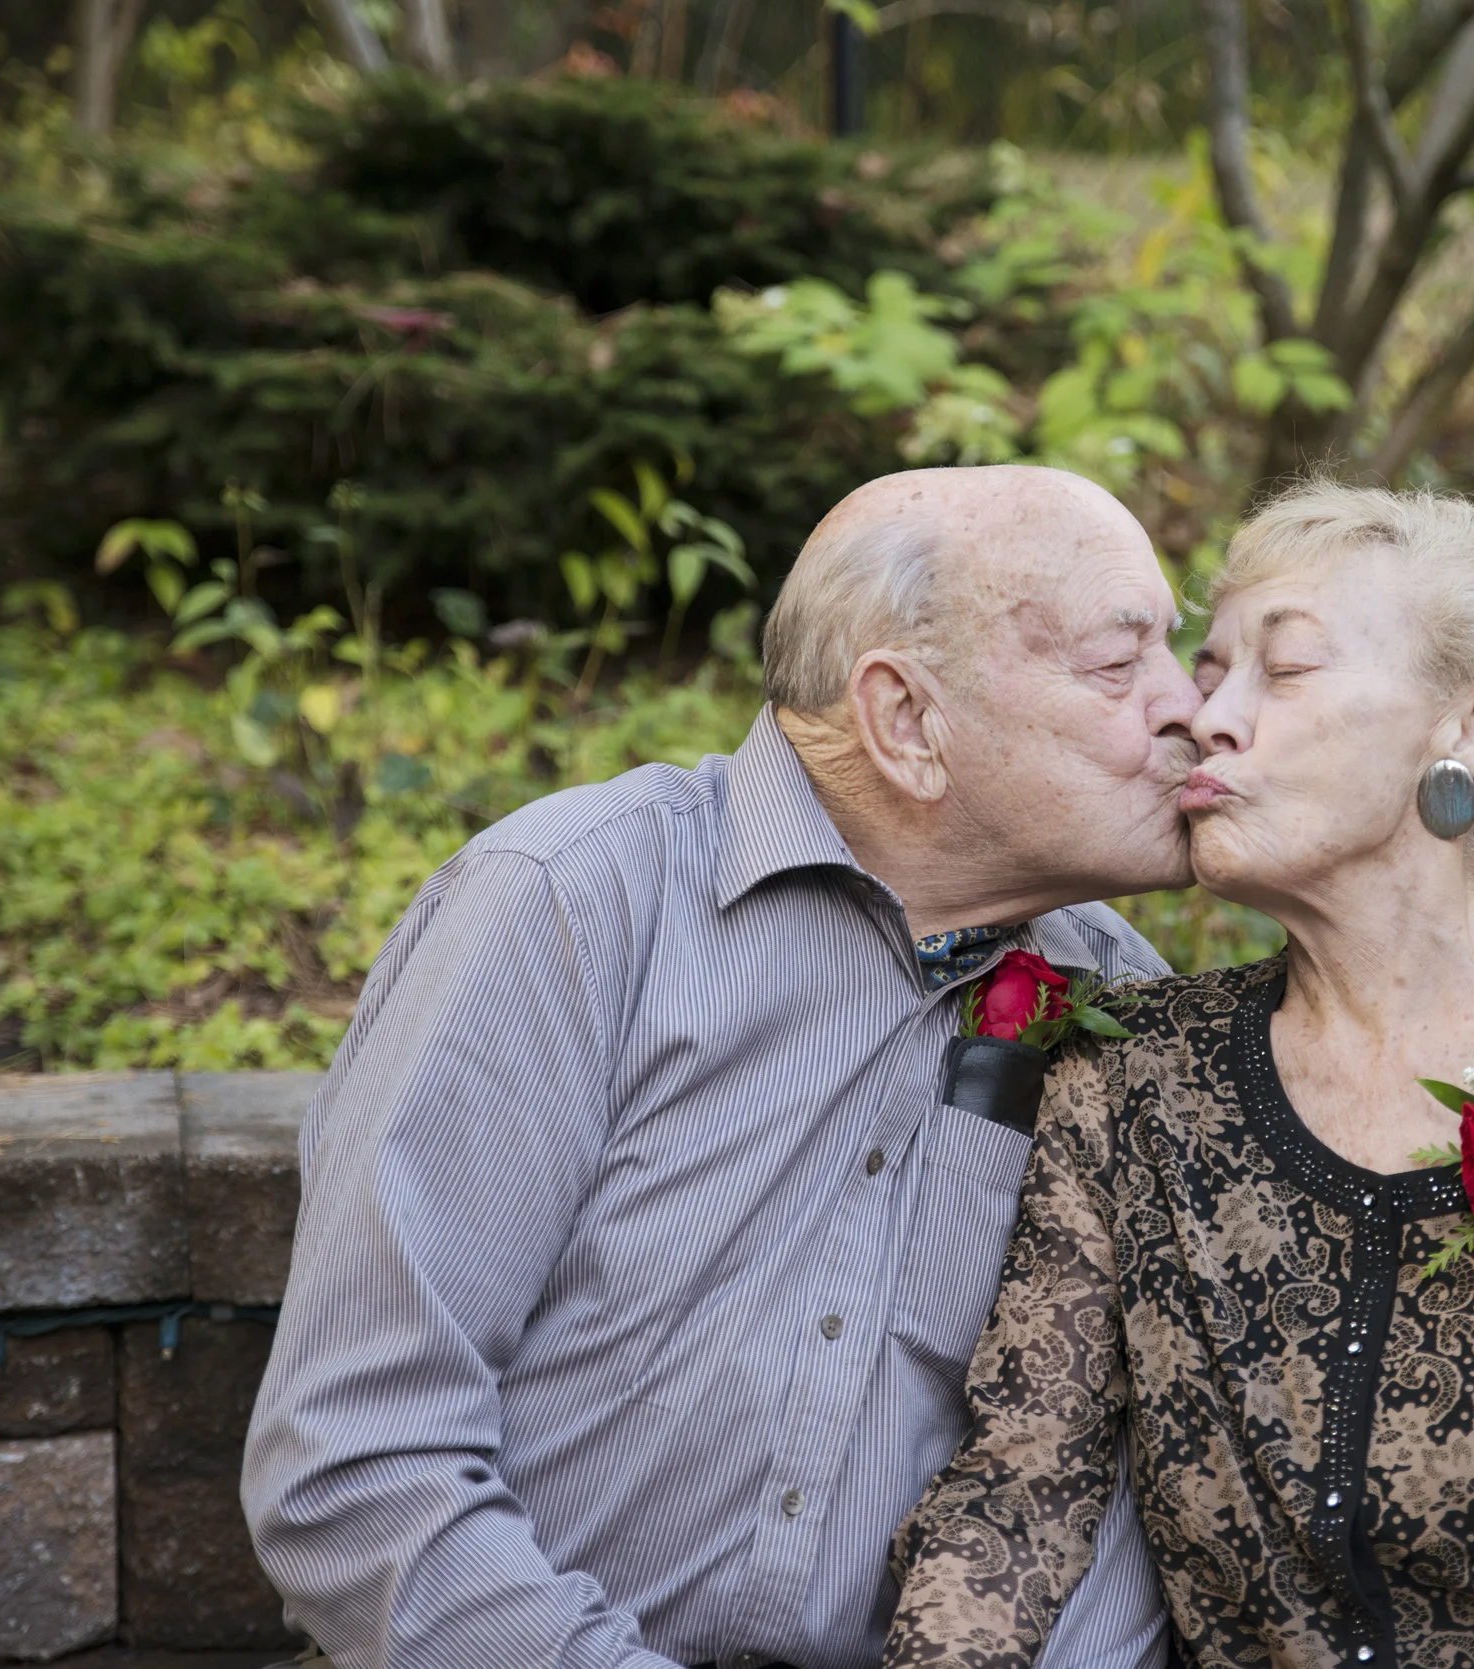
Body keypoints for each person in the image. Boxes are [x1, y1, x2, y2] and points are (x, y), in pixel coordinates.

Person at [242, 465, 1198, 1669]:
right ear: (907, 721)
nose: (1192, 710)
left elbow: (1107, 1495)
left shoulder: (1122, 1000)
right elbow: (359, 1458)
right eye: (1122, 668)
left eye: (1177, 651)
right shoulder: (572, 910)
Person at [884, 482, 1474, 1669]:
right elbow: (1020, 1489)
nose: (1207, 720)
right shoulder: (1135, 1079)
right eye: (1210, 670)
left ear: (1469, 727)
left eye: (1280, 672)